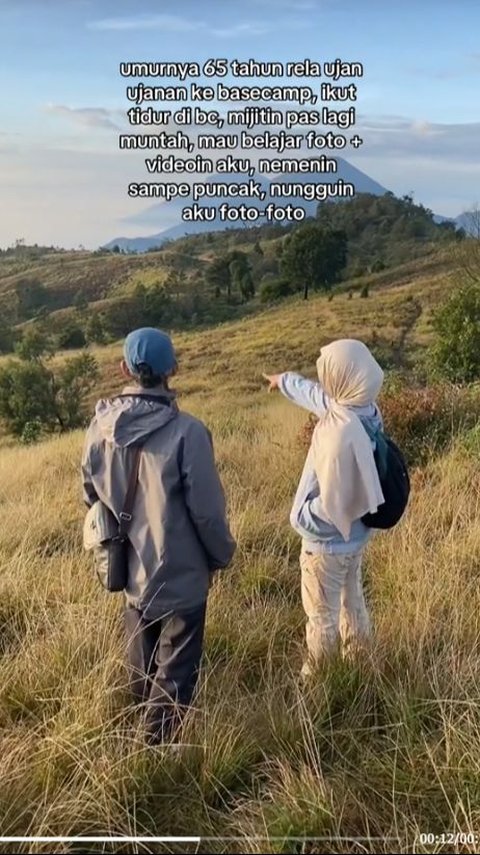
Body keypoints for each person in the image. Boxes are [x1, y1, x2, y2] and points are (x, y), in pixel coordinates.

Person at [82, 327, 236, 742]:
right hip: (182, 576)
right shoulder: (189, 432)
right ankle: (152, 754)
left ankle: (134, 738)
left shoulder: (100, 427)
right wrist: (222, 556)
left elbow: (91, 497)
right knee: (176, 675)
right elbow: (207, 514)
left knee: (142, 663)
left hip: (130, 571)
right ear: (173, 369)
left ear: (124, 368)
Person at [263, 339, 384, 675]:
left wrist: (299, 517)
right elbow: (320, 398)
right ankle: (360, 668)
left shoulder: (341, 433)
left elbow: (335, 504)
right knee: (352, 605)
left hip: (327, 545)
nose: (326, 383)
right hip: (355, 539)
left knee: (322, 619)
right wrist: (285, 380)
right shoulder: (364, 410)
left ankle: (320, 685)